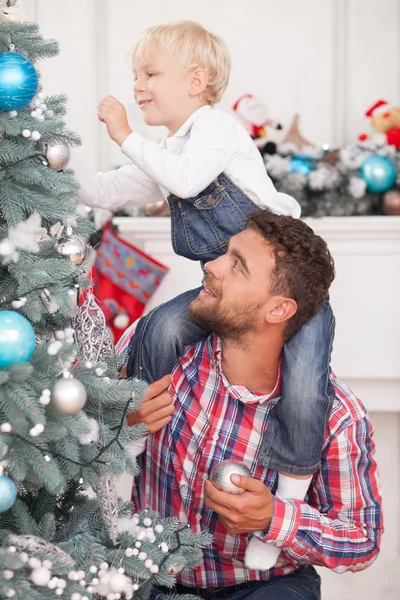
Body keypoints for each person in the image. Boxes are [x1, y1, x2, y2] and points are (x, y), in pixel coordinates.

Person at [74, 20, 335, 567]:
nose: (138, 85)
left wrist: (124, 132)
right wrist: (55, 168)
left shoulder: (216, 129)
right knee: (161, 328)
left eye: (150, 73)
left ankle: (282, 507)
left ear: (195, 82)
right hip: (224, 287)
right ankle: (138, 439)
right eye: (134, 75)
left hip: (286, 281)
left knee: (307, 388)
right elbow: (111, 187)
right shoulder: (165, 150)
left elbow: (190, 179)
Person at [119, 209, 383, 600]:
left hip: (265, 586)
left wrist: (275, 517)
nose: (212, 265)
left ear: (278, 309)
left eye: (237, 265)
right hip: (152, 578)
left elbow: (362, 541)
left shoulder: (338, 416)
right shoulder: (161, 356)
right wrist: (119, 425)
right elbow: (66, 430)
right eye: (226, 252)